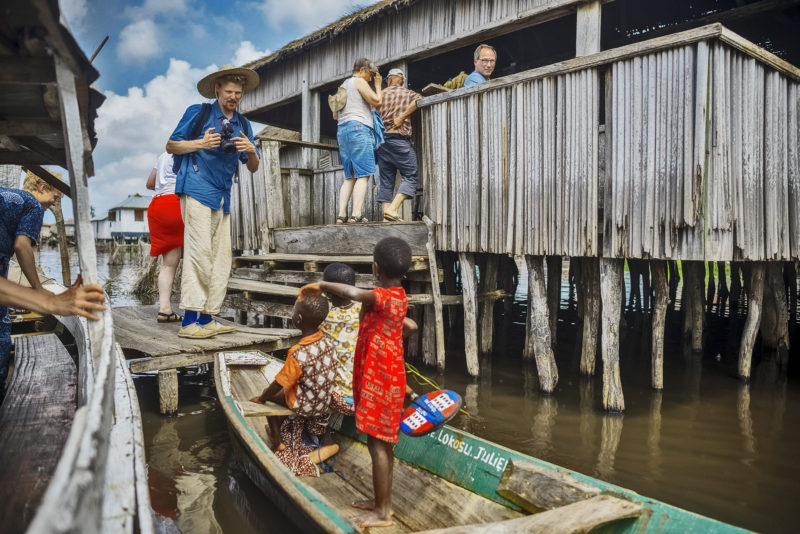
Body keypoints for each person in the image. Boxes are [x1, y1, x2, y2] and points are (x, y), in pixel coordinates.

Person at [299, 236, 413, 529]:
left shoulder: (382, 297)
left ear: (375, 269)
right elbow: (409, 326)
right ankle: (381, 503)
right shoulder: (399, 298)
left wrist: (321, 285)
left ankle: (383, 513)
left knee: (377, 446)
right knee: (383, 445)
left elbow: (352, 292)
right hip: (387, 378)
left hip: (381, 382)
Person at [166, 65, 260, 339]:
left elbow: (252, 167)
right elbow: (171, 145)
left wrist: (252, 150)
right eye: (229, 91)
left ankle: (207, 318)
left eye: (238, 93)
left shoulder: (243, 124)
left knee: (220, 257)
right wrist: (201, 143)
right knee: (199, 252)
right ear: (217, 88)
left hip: (222, 195)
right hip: (196, 187)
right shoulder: (199, 112)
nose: (233, 97)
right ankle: (189, 323)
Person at [250, 294, 340, 476]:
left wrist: (261, 398)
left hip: (302, 405)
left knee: (270, 401)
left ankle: (278, 441)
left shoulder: (298, 353)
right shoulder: (329, 343)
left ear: (297, 319)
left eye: (293, 310)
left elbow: (278, 384)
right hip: (324, 402)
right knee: (287, 394)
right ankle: (326, 448)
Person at [1, 174, 62, 401]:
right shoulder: (32, 204)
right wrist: (37, 288)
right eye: (55, 197)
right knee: (2, 334)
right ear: (42, 187)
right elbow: (21, 245)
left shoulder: (9, 197)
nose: (54, 203)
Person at [334, 58, 382, 224]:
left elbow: (335, 114)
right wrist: (377, 85)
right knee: (365, 174)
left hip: (342, 131)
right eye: (370, 74)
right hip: (359, 128)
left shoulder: (343, 86)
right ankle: (356, 214)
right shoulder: (358, 81)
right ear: (362, 70)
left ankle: (341, 215)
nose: (371, 78)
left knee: (350, 176)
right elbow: (377, 101)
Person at [376, 68, 421, 222]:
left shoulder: (379, 95)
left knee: (386, 180)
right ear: (401, 80)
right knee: (411, 176)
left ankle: (386, 217)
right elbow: (419, 100)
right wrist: (402, 117)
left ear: (388, 80)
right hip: (399, 139)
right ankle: (393, 209)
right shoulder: (407, 93)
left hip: (382, 141)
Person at [146, 152, 184, 323]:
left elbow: (150, 184)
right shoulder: (192, 149)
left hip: (157, 205)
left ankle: (165, 310)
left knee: (168, 264)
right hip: (177, 202)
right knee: (194, 259)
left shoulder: (162, 155)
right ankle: (196, 311)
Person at [319, 262, 360, 414]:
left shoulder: (324, 317)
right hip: (364, 396)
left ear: (328, 292)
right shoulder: (363, 310)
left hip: (340, 398)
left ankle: (323, 432)